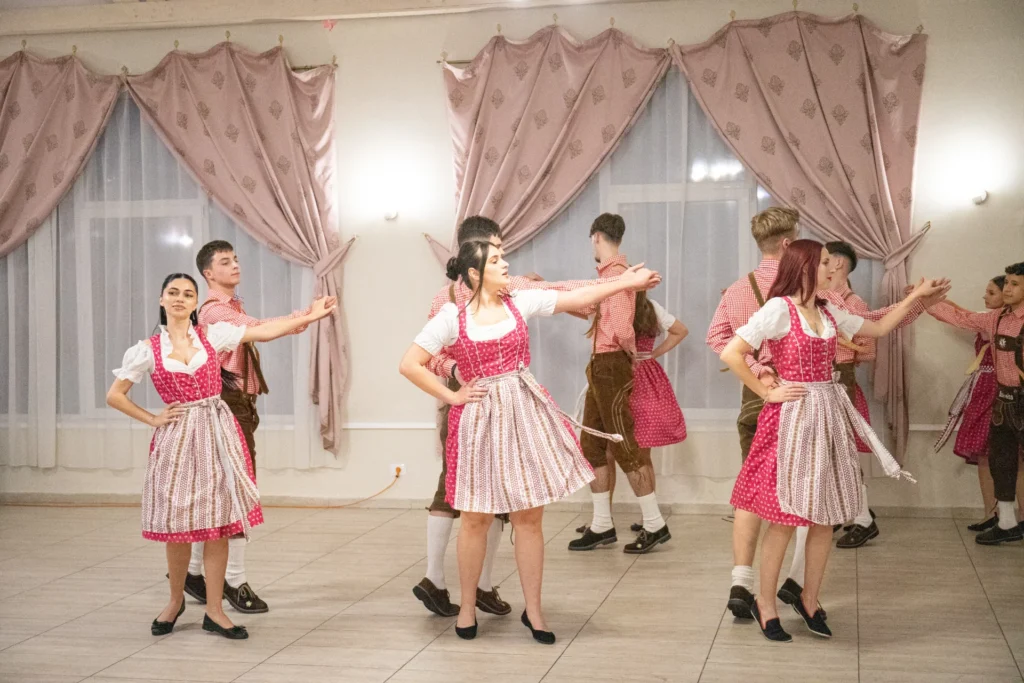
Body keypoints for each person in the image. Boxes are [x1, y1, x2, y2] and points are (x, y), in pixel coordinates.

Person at [399, 238, 660, 643]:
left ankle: (534, 612)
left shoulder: (519, 301)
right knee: (475, 519)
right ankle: (466, 608)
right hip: (479, 422)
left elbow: (578, 295)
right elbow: (410, 363)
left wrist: (626, 282)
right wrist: (454, 396)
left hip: (523, 415)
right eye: (497, 260)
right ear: (474, 273)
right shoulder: (452, 316)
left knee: (529, 518)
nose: (506, 264)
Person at [721, 240, 947, 642]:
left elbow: (878, 328)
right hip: (792, 418)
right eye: (825, 262)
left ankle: (809, 599)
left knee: (824, 518)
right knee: (785, 518)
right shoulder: (779, 309)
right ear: (804, 266)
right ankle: (765, 603)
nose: (832, 268)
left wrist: (916, 298)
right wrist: (767, 391)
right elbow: (732, 353)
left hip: (826, 415)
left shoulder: (827, 311)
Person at [106, 273, 336, 639]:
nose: (180, 298)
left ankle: (214, 611)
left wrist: (309, 315)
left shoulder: (212, 336)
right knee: (178, 527)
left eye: (188, 294)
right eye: (173, 293)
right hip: (177, 439)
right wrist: (153, 418)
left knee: (219, 523)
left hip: (217, 433)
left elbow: (264, 331)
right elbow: (115, 395)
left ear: (196, 303)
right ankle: (175, 601)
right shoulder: (147, 349)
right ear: (162, 300)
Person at [181, 240, 329, 616]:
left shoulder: (231, 308)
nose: (235, 265)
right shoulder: (215, 312)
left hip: (235, 407)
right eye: (224, 262)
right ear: (208, 273)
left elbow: (260, 327)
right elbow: (262, 331)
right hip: (228, 408)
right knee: (236, 493)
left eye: (235, 259)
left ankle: (193, 574)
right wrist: (309, 316)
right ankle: (234, 580)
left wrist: (307, 315)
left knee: (220, 493)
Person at [570, 214, 671, 554]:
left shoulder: (616, 275)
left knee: (625, 445)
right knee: (593, 444)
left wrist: (626, 350)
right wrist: (555, 303)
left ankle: (655, 524)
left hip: (610, 363)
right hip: (603, 364)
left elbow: (620, 327)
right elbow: (590, 309)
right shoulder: (614, 275)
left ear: (596, 237)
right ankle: (602, 525)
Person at [924, 263, 1024, 545]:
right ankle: (1006, 522)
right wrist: (925, 300)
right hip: (1004, 401)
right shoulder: (997, 318)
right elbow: (962, 318)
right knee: (1001, 462)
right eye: (1007, 283)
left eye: (1015, 284)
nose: (1008, 289)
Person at [574, 292, 689, 533]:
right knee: (640, 452)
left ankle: (606, 519)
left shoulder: (606, 306)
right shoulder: (650, 306)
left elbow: (576, 308)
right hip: (645, 377)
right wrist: (652, 354)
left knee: (607, 450)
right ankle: (646, 518)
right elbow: (680, 330)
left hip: (617, 375)